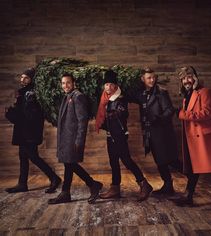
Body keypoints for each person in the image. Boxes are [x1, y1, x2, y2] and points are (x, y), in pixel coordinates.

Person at [174, 66, 211, 207]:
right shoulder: (187, 96)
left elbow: (206, 114)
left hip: (206, 138)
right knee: (196, 166)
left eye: (189, 77)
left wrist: (182, 114)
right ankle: (189, 195)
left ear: (195, 77)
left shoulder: (205, 92)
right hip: (193, 137)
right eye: (183, 78)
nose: (186, 80)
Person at [96, 70, 153, 202]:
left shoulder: (120, 98)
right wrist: (103, 122)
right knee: (113, 162)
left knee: (127, 161)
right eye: (106, 85)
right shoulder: (105, 99)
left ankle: (144, 184)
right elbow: (105, 119)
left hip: (120, 134)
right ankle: (115, 188)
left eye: (111, 85)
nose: (108, 87)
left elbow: (123, 113)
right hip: (111, 135)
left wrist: (112, 114)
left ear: (116, 86)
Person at [48, 73, 103, 204]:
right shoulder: (67, 96)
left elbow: (82, 121)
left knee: (70, 164)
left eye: (68, 82)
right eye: (63, 83)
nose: (65, 85)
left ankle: (90, 185)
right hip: (66, 139)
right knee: (69, 164)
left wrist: (79, 141)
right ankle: (68, 192)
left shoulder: (78, 97)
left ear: (74, 83)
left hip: (72, 140)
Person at [5, 68, 61, 194]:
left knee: (33, 156)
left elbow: (32, 115)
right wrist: (12, 113)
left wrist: (14, 114)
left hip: (30, 131)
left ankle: (54, 178)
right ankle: (22, 184)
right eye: (22, 77)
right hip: (23, 130)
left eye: (26, 78)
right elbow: (22, 111)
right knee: (23, 156)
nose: (22, 79)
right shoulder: (24, 92)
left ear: (32, 79)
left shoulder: (33, 93)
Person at [127, 68, 179, 197]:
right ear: (142, 79)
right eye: (149, 78)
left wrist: (158, 119)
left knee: (170, 160)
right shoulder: (141, 93)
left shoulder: (161, 93)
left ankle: (192, 177)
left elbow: (169, 110)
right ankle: (168, 185)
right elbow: (129, 95)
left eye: (153, 77)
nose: (152, 80)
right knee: (159, 160)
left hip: (162, 133)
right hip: (150, 134)